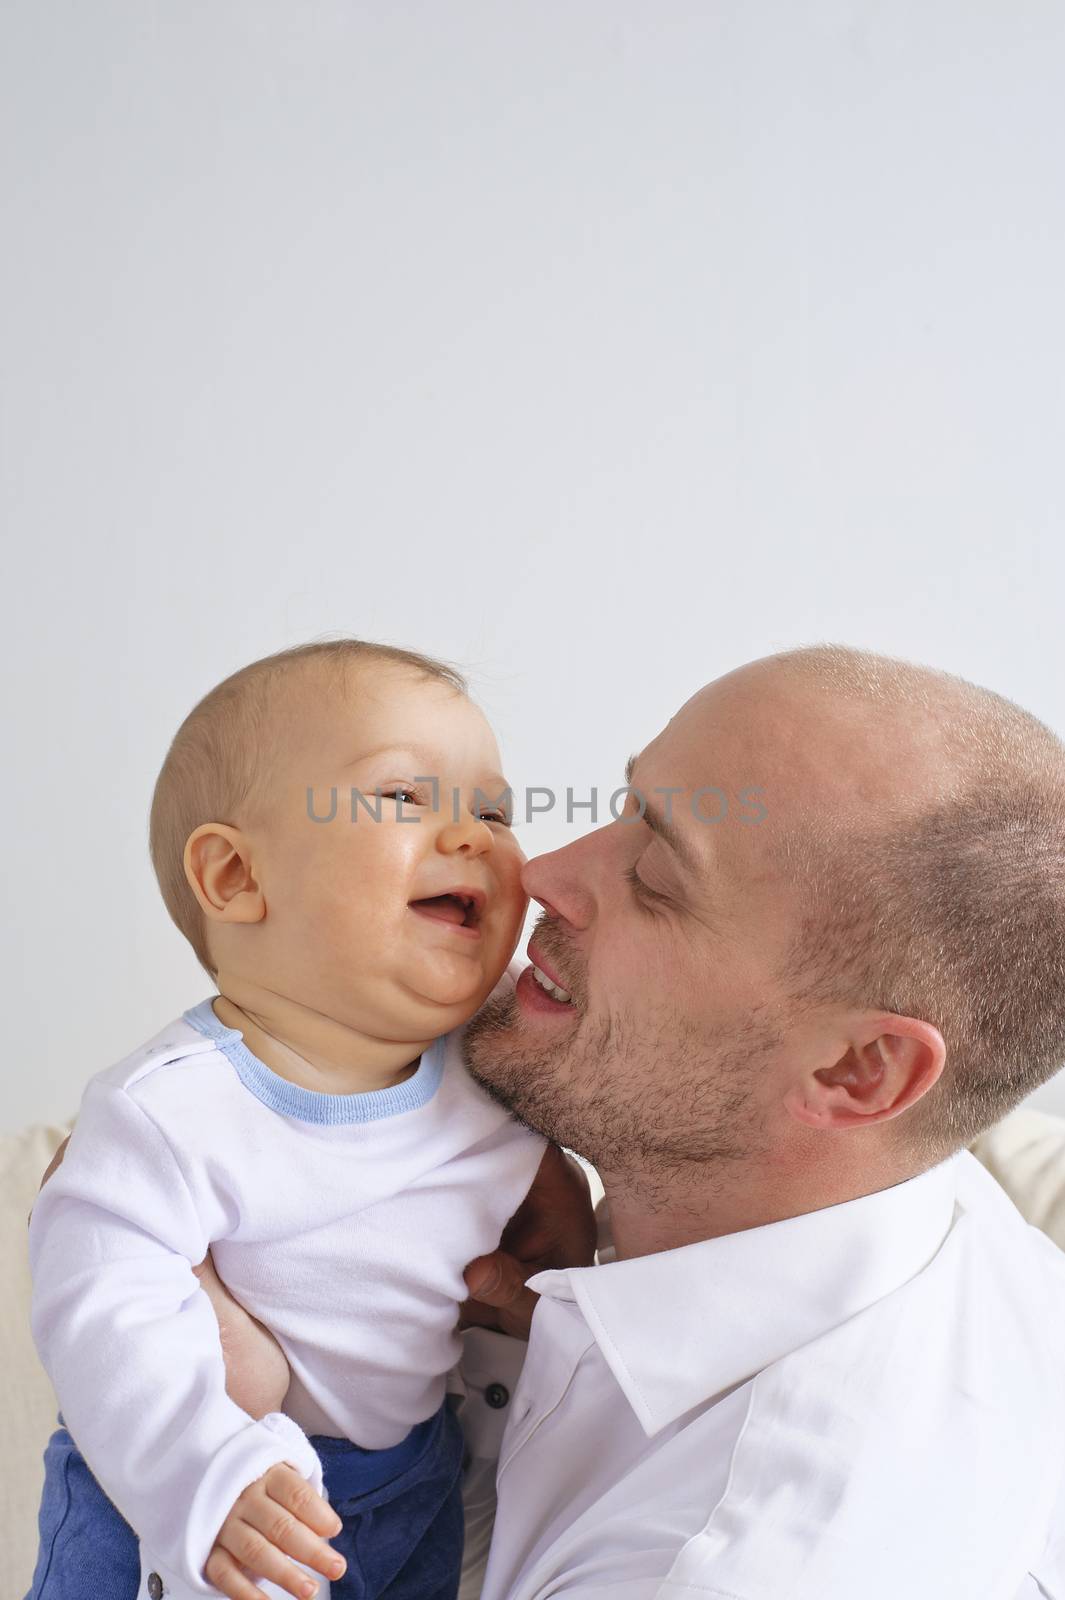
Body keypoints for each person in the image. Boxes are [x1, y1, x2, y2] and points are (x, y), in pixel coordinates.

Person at [181, 645, 1065, 1600]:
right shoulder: (894, 1198)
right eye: (624, 806)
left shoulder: (729, 1565)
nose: (541, 873)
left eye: (654, 876)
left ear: (857, 1070)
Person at [25, 638, 596, 1600]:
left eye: (493, 811)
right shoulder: (170, 1107)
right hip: (188, 1492)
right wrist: (203, 1472)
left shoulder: (495, 1057)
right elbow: (101, 1311)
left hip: (415, 1478)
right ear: (238, 879)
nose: (475, 838)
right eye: (405, 799)